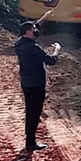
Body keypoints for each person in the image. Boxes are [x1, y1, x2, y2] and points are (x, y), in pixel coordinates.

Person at [14, 10, 60, 151]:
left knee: (29, 110)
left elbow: (34, 26)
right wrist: (56, 49)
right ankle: (30, 143)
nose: (35, 30)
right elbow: (51, 60)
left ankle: (29, 135)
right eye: (33, 29)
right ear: (28, 32)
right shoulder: (34, 48)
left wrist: (44, 17)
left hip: (26, 84)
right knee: (35, 113)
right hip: (37, 85)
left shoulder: (19, 43)